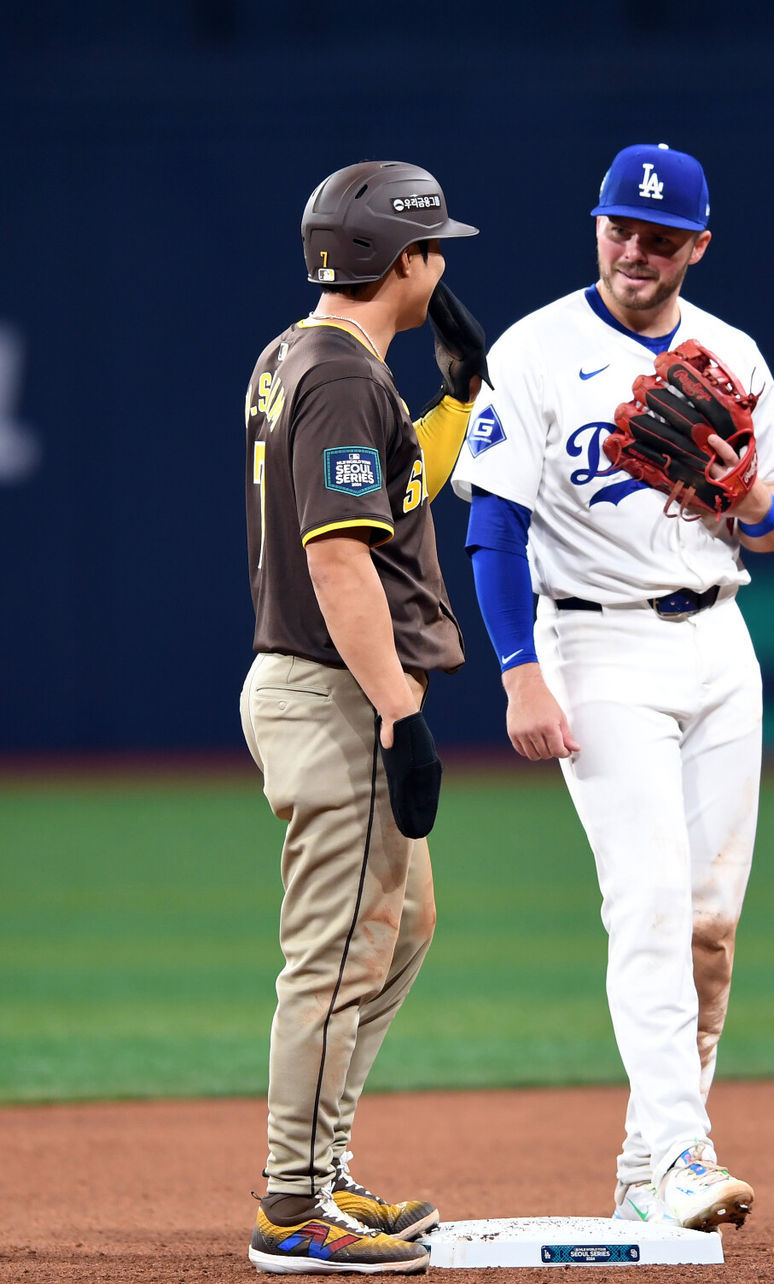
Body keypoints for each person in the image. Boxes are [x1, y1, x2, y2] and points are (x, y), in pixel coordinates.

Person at [451, 142, 774, 1235]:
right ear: (596, 224)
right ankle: (685, 1153)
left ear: (696, 245)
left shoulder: (730, 352)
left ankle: (651, 1163)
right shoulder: (539, 350)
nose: (634, 251)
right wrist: (519, 674)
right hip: (595, 652)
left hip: (717, 641)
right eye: (617, 228)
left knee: (708, 924)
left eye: (658, 237)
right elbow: (492, 529)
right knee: (645, 906)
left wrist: (744, 502)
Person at [240, 159, 486, 1275]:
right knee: (336, 955)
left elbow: (376, 501)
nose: (443, 270)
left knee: (399, 926)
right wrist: (400, 711)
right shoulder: (339, 377)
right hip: (338, 688)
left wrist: (454, 408)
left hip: (325, 681)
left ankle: (323, 1172)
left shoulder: (304, 356)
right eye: (436, 250)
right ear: (404, 260)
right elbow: (340, 558)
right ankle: (294, 1210)